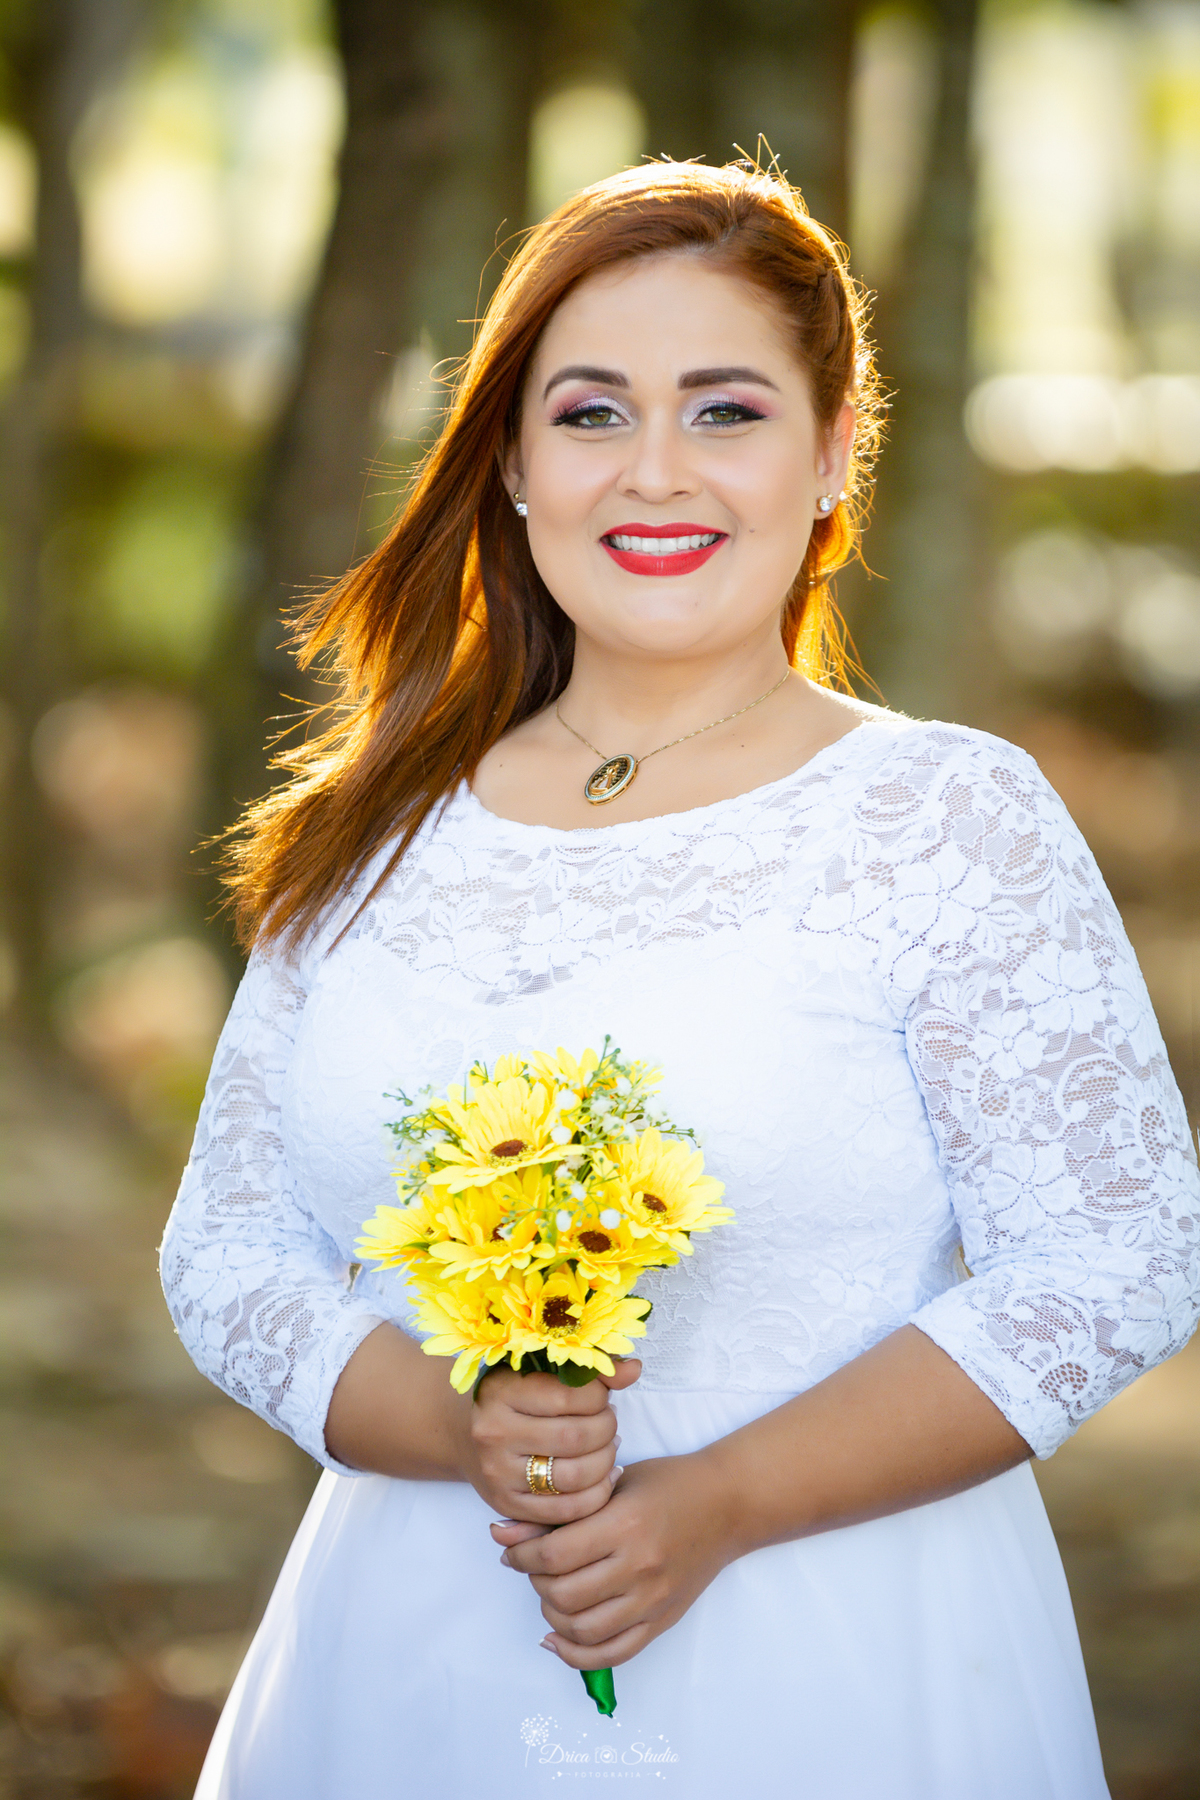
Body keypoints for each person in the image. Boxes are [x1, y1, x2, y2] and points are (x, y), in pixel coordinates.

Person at [161, 159, 1199, 1800]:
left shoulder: (943, 815)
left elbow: (1111, 1257)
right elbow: (227, 1244)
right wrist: (459, 1430)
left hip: (840, 1654)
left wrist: (712, 1508)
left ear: (837, 447)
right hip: (409, 1645)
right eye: (590, 414)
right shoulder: (379, 827)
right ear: (506, 458)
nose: (655, 473)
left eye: (726, 411)